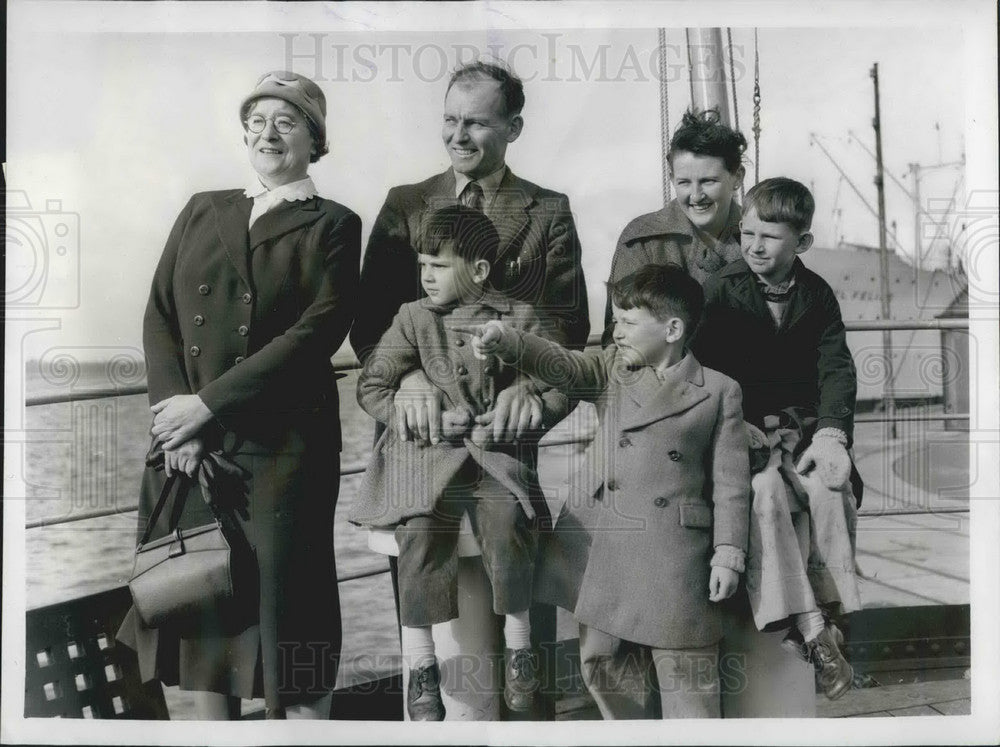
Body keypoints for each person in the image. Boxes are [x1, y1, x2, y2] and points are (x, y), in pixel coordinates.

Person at [117, 71, 361, 720]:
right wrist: (179, 418)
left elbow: (318, 330)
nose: (267, 132)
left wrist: (208, 404)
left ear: (316, 138)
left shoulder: (335, 223)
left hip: (282, 451)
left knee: (293, 613)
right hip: (192, 445)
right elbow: (160, 312)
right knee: (205, 610)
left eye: (286, 120)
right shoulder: (204, 207)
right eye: (256, 120)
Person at [466, 263, 750, 719]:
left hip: (678, 555)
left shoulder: (719, 392)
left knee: (689, 676)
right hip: (605, 542)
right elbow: (559, 362)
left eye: (629, 322)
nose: (616, 332)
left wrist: (728, 553)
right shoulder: (609, 371)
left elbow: (732, 485)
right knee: (605, 665)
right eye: (615, 319)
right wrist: (508, 341)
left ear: (673, 329)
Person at [348, 206, 564, 720]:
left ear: (481, 271)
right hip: (427, 460)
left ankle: (519, 647)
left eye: (440, 265)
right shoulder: (412, 317)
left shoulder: (517, 317)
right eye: (423, 264)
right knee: (419, 532)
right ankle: (422, 670)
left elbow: (561, 380)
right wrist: (406, 407)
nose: (427, 275)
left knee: (510, 521)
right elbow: (371, 384)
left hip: (492, 457)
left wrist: (528, 399)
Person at [350, 59, 590, 445]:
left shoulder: (548, 210)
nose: (458, 136)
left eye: (476, 123)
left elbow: (568, 324)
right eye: (450, 120)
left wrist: (529, 383)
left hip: (503, 430)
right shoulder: (406, 204)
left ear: (513, 128)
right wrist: (408, 379)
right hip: (417, 433)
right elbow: (370, 321)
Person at [693, 177, 862, 700]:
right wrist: (729, 419)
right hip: (740, 430)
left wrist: (831, 434)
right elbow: (700, 366)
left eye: (769, 237)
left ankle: (836, 614)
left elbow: (836, 366)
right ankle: (808, 626)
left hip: (803, 430)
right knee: (764, 497)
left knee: (832, 491)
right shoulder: (720, 289)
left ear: (801, 245)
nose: (754, 246)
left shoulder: (817, 294)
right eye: (747, 234)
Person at [603, 109, 746, 343]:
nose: (696, 195)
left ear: (737, 177)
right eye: (684, 182)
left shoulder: (761, 240)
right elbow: (618, 338)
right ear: (671, 179)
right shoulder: (642, 241)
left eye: (708, 181)